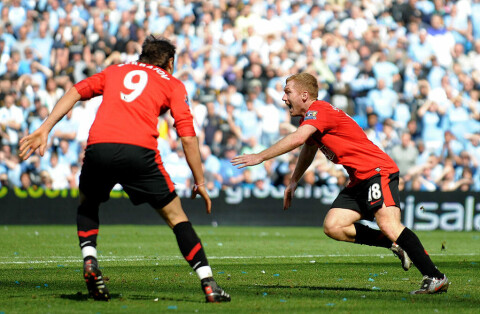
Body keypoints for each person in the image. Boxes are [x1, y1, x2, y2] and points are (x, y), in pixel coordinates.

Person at [18, 36, 230, 303]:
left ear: (142, 56)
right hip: (139, 151)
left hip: (100, 146)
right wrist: (199, 181)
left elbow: (75, 91)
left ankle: (90, 259)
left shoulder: (115, 71)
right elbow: (187, 136)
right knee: (176, 218)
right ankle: (209, 283)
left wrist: (44, 128)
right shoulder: (173, 83)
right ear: (170, 62)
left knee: (87, 204)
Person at [231, 72, 449, 295]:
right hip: (359, 179)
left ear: (304, 95)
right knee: (334, 226)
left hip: (377, 171)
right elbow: (308, 146)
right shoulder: (311, 120)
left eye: (288, 92)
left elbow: (298, 138)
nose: (284, 98)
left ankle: (435, 276)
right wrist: (294, 180)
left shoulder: (320, 110)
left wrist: (260, 156)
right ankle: (394, 245)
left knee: (390, 225)